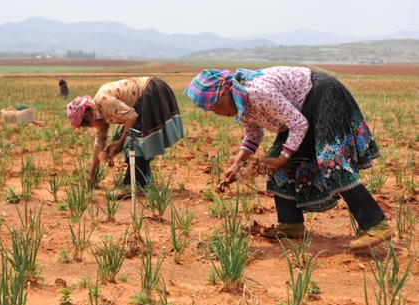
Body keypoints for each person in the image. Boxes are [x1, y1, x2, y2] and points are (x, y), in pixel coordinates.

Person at [184, 66, 394, 250]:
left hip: (321, 94)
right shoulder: (242, 104)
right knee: (275, 161)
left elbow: (299, 124)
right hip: (300, 110)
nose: (219, 113)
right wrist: (237, 164)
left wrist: (283, 158)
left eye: (219, 106)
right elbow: (254, 136)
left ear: (228, 89)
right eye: (213, 111)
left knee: (329, 160)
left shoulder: (257, 93)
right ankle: (291, 223)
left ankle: (376, 224)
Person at [67, 77, 184, 198]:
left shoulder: (102, 101)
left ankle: (132, 185)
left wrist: (120, 143)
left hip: (150, 92)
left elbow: (132, 117)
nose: (88, 126)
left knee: (133, 140)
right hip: (146, 96)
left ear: (86, 114)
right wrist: (91, 178)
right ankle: (143, 181)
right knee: (133, 138)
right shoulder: (99, 117)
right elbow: (99, 145)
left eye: (85, 123)